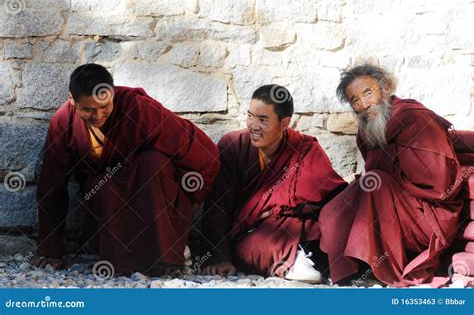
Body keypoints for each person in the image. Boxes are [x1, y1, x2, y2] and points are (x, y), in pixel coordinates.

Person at [31, 63, 220, 274]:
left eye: (105, 107)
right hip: (105, 204)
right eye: (88, 110)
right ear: (71, 100)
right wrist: (50, 249)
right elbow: (52, 184)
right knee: (107, 184)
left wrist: (186, 203)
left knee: (153, 162)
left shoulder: (138, 108)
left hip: (151, 196)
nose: (99, 116)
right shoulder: (63, 121)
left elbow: (205, 154)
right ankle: (124, 259)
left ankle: (166, 255)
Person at [319, 64, 463, 287]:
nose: (363, 104)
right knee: (333, 209)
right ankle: (353, 266)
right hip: (392, 203)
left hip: (431, 213)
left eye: (368, 93)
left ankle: (383, 268)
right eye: (354, 100)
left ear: (385, 89)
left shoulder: (414, 118)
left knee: (375, 183)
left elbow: (439, 181)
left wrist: (386, 174)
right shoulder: (367, 129)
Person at [201, 85, 347, 282]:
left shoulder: (304, 148)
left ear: (284, 122)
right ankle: (296, 260)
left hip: (292, 223)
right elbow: (217, 207)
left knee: (325, 228)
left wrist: (276, 209)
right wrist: (219, 257)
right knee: (252, 248)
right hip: (251, 232)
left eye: (262, 120)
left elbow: (328, 195)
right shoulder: (234, 146)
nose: (253, 125)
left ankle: (306, 258)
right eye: (250, 116)